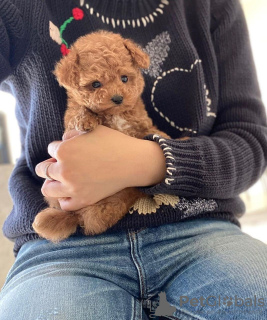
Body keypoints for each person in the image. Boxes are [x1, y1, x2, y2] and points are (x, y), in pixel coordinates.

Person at [0, 0, 267, 319]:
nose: (115, 92)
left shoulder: (214, 6)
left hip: (200, 227)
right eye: (97, 84)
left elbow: (250, 143)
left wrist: (147, 162)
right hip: (65, 247)